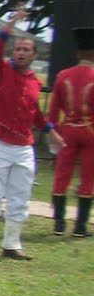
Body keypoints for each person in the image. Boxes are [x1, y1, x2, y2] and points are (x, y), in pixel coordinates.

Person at [0, 11, 61, 260]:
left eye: (26, 50)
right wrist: (10, 25)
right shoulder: (2, 71)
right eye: (18, 49)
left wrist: (51, 132)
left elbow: (35, 114)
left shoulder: (35, 81)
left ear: (34, 55)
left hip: (24, 145)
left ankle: (12, 244)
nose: (21, 53)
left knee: (20, 195)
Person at [49, 26, 94, 237]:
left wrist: (53, 131)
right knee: (88, 177)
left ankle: (59, 223)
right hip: (90, 131)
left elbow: (54, 108)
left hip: (67, 130)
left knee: (62, 174)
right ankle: (80, 226)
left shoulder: (63, 75)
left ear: (77, 53)